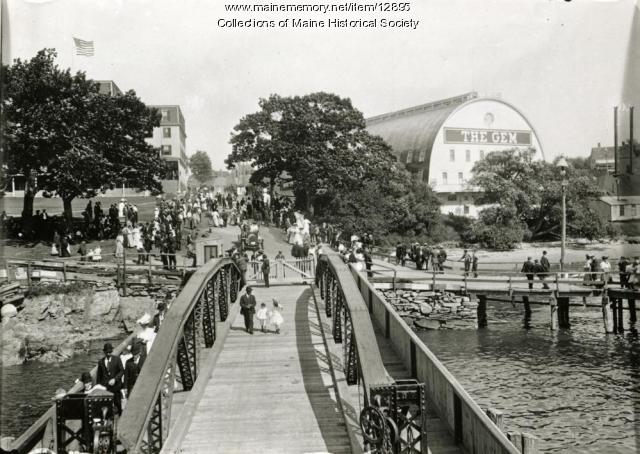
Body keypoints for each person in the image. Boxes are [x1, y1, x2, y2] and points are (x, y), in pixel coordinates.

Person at [96, 343, 124, 414]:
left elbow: (121, 371)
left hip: (116, 386)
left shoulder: (117, 359)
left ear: (112, 351)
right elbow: (99, 376)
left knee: (118, 403)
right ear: (104, 352)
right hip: (106, 388)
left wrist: (115, 379)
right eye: (107, 352)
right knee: (107, 405)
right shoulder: (101, 362)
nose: (108, 354)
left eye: (110, 352)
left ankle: (120, 415)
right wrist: (98, 387)